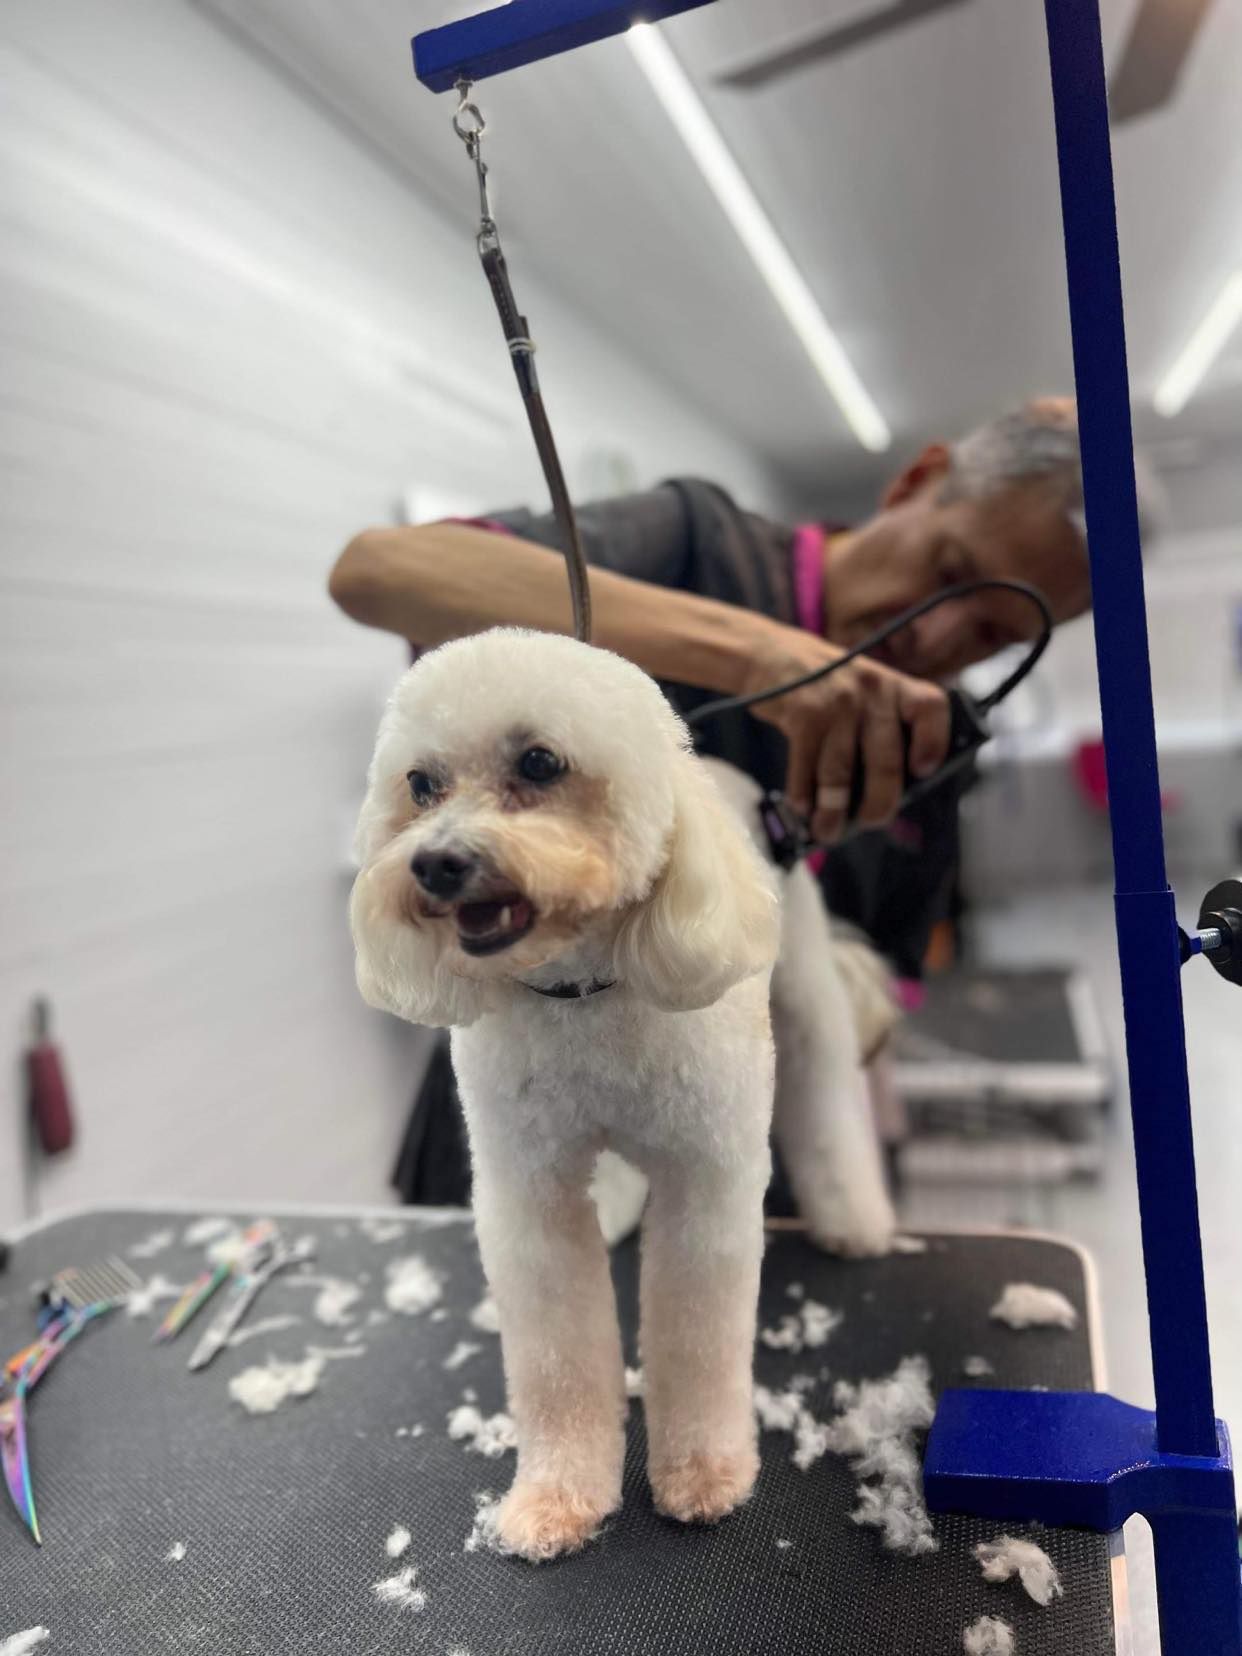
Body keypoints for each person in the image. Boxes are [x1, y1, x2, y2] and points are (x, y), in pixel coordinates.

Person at [328, 397, 1135, 1207]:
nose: (938, 640)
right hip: (527, 1145)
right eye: (950, 571)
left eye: (992, 634)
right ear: (917, 482)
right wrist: (756, 655)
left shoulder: (926, 742)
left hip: (738, 1169)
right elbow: (379, 574)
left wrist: (803, 984)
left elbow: (882, 984)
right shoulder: (695, 542)